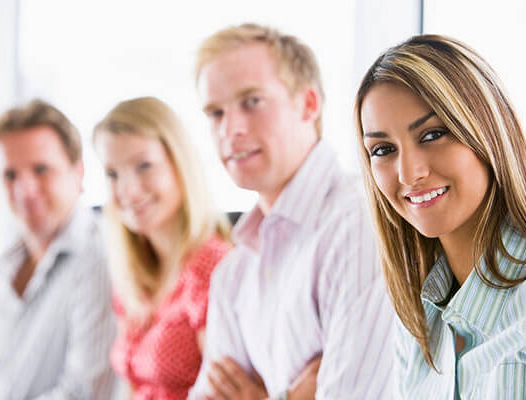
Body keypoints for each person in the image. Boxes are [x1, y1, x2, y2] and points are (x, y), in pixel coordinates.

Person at [189, 23, 394, 399]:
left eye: (252, 101)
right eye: (216, 113)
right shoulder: (234, 272)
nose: (230, 129)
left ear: (309, 104)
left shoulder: (359, 225)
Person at [356, 34, 526, 399]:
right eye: (383, 149)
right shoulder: (417, 319)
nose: (407, 173)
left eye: (433, 134)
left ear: (487, 131)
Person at [0, 99, 116, 399]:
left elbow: (84, 392)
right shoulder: (0, 268)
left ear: (78, 172)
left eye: (41, 169)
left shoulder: (101, 258)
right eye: (10, 174)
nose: (25, 190)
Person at [93, 97, 231, 400]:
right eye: (113, 174)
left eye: (144, 166)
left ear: (179, 164)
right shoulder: (134, 274)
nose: (128, 190)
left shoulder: (214, 268)